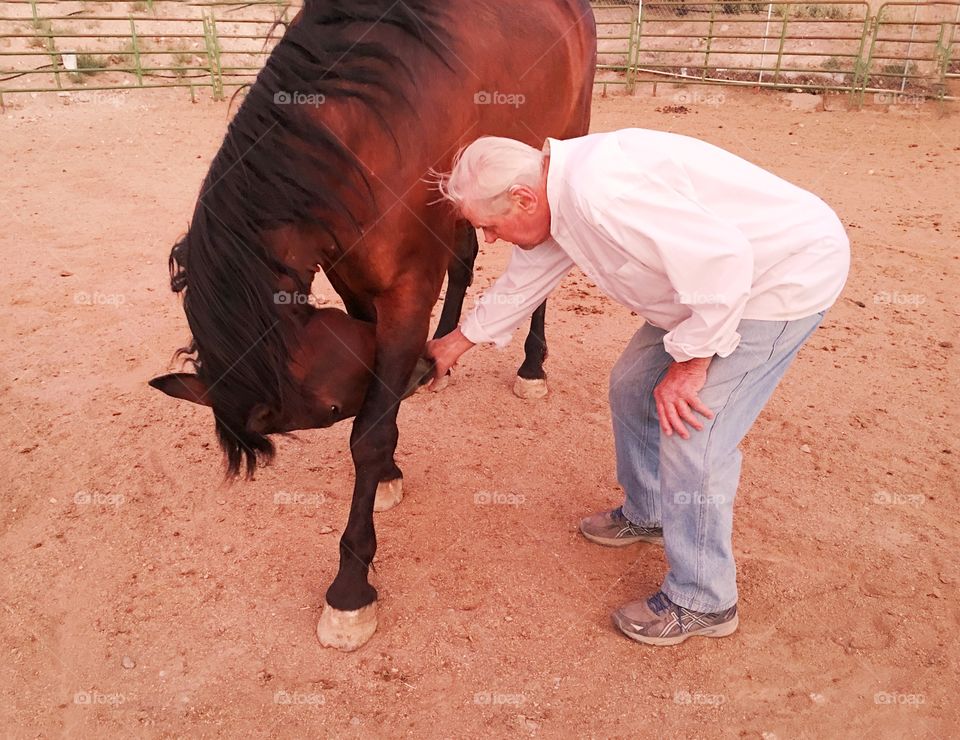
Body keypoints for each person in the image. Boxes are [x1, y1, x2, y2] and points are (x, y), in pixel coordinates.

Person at [425, 129, 850, 646]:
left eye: (489, 228)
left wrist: (692, 363)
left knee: (695, 429)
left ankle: (704, 600)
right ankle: (648, 512)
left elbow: (723, 261)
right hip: (700, 290)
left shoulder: (602, 193)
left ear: (522, 198)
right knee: (633, 386)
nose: (489, 240)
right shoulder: (555, 195)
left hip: (776, 280)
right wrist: (454, 344)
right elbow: (524, 280)